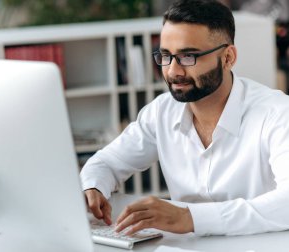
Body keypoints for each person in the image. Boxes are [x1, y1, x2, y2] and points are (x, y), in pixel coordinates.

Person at [80, 0, 289, 236]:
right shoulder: (161, 112)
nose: (173, 71)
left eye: (188, 56)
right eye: (166, 56)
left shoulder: (278, 113)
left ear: (228, 58)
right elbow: (106, 163)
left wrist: (190, 218)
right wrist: (93, 187)